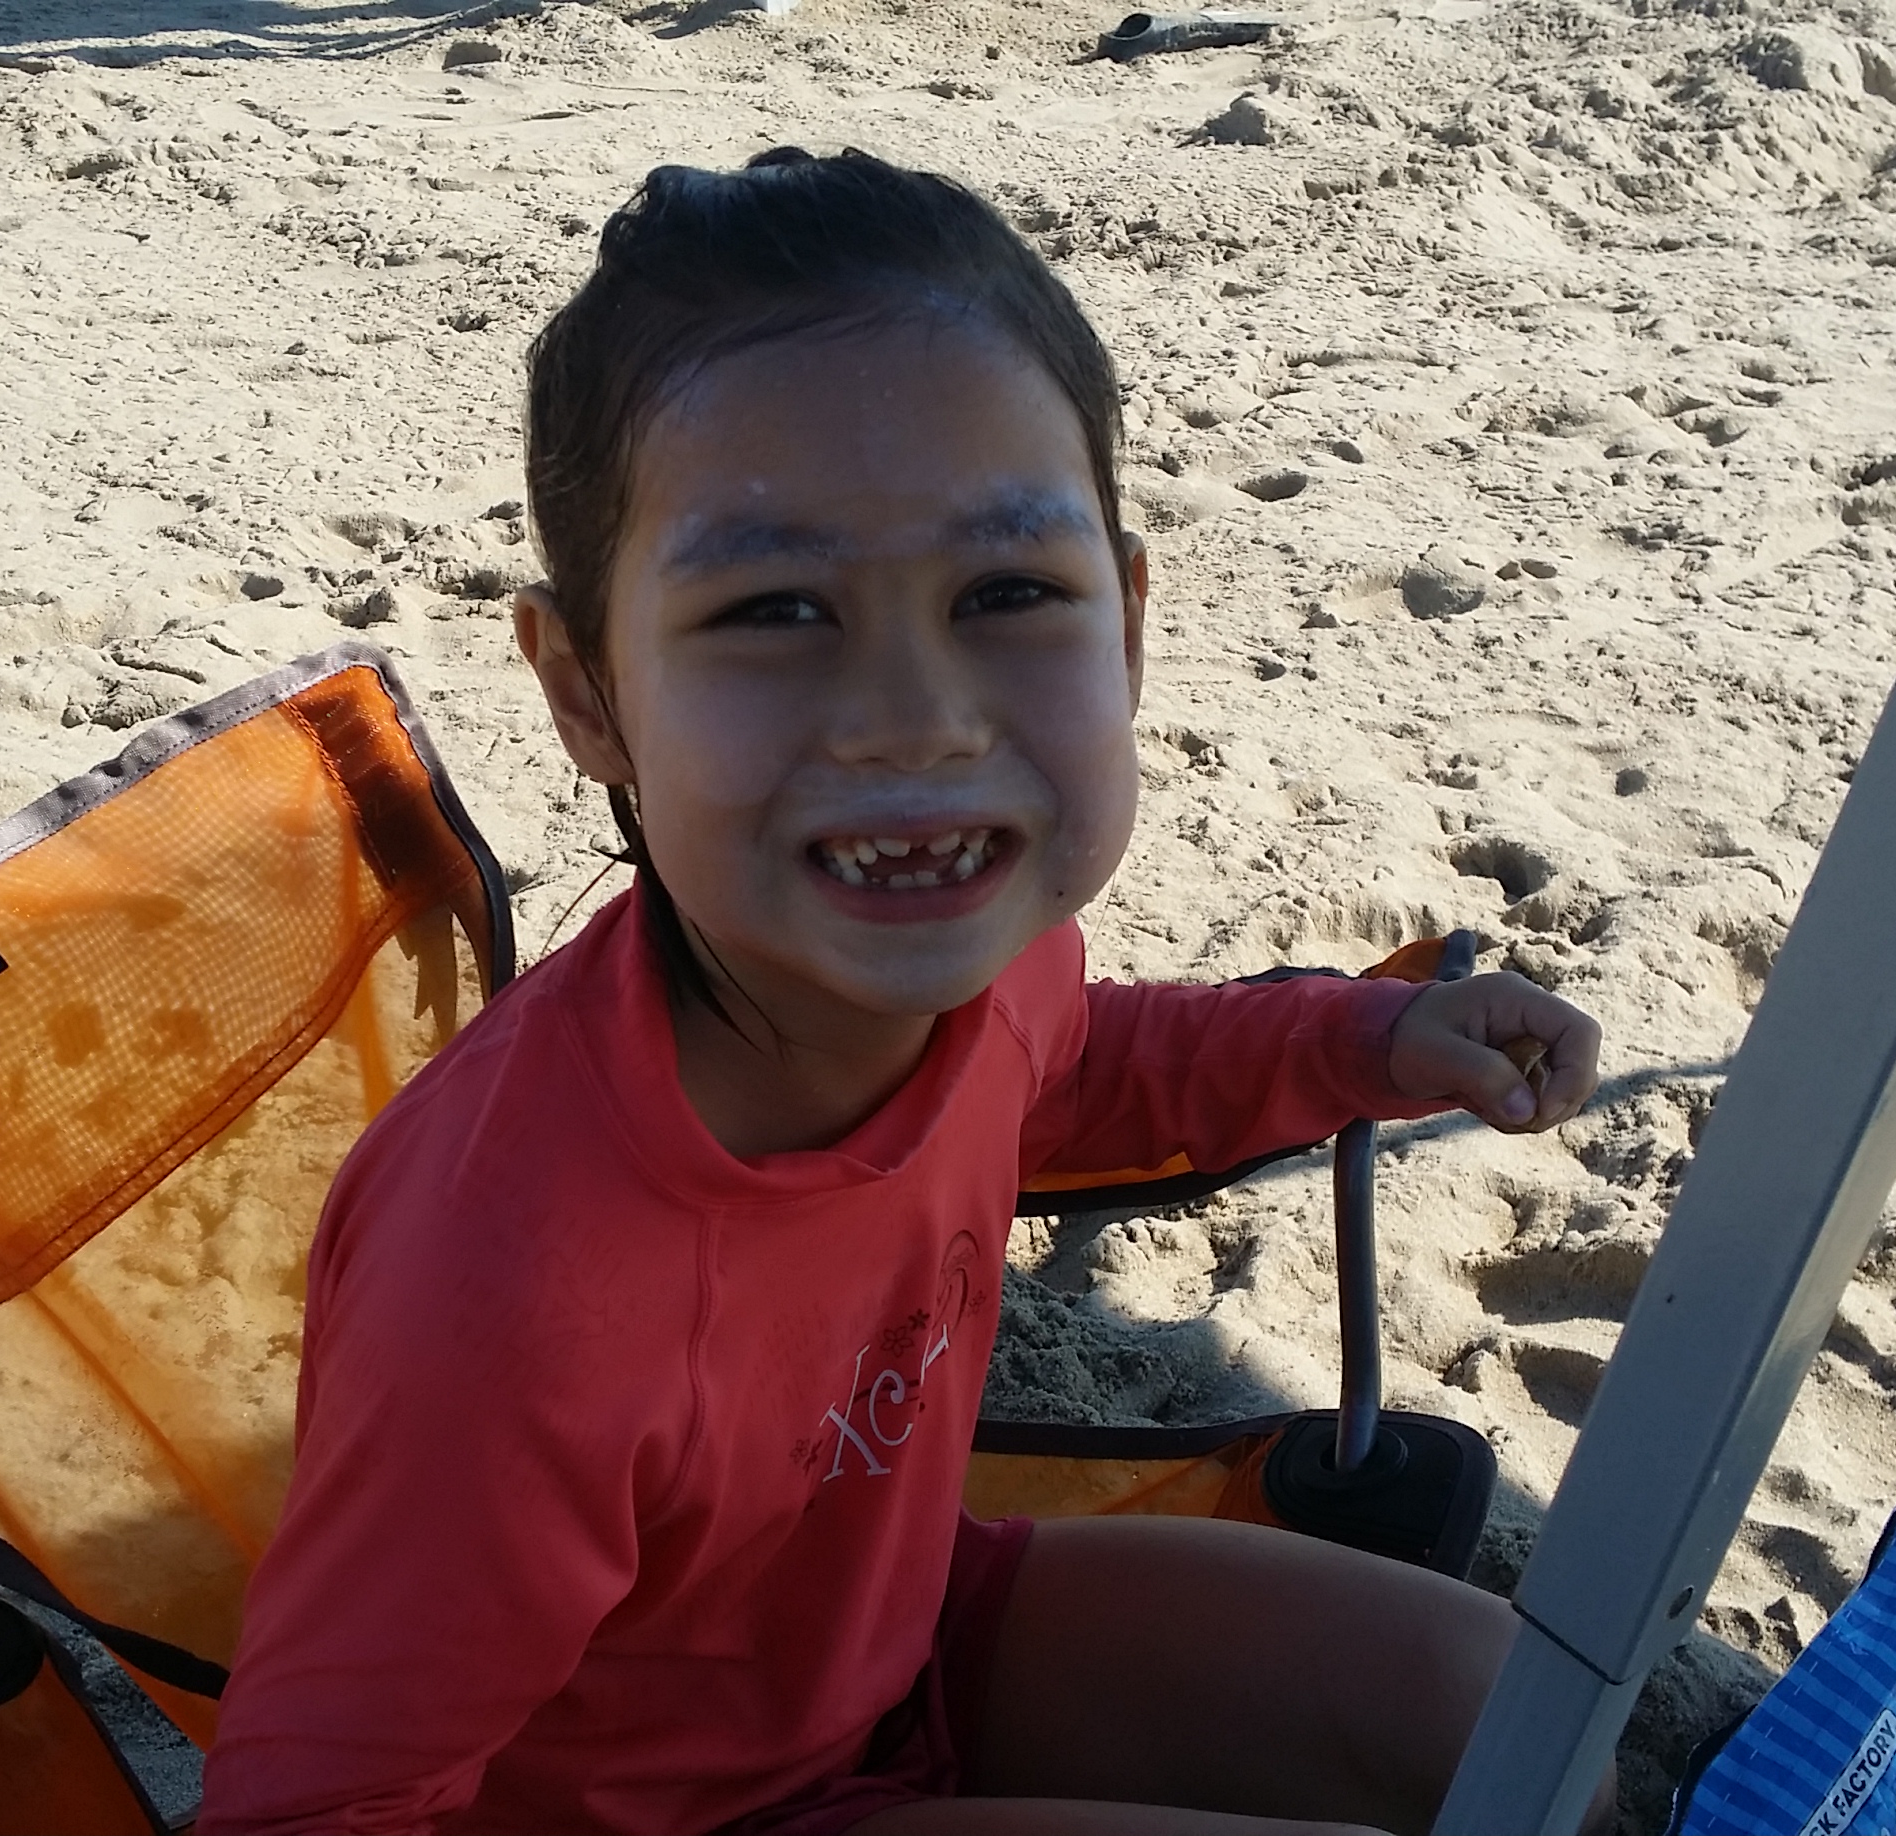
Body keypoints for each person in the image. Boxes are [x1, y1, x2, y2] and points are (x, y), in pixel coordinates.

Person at [201, 148, 1612, 1836]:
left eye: (1008, 593)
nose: (915, 718)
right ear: (587, 694)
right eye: (773, 610)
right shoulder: (507, 1290)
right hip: (680, 1818)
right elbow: (319, 1805)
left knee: (1514, 1724)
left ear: (1127, 622)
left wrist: (1360, 1039)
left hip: (901, 1635)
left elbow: (1072, 1069)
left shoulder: (985, 966)